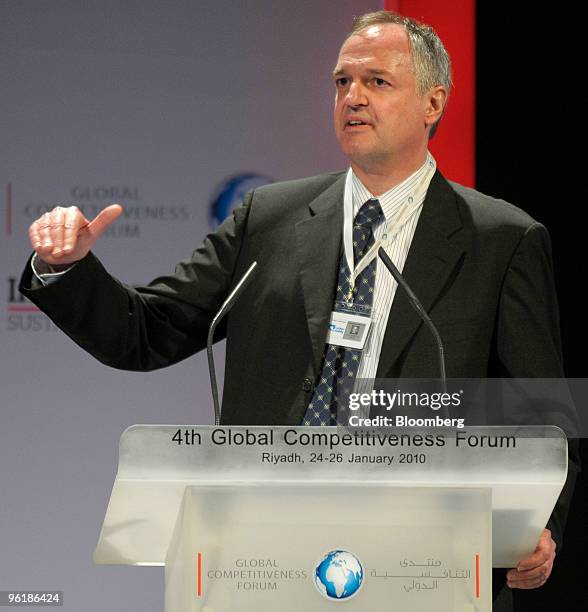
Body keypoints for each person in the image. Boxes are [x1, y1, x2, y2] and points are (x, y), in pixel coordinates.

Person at [19, 10, 577, 607]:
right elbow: (147, 331)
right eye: (342, 82)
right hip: (262, 548)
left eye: (377, 82)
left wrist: (539, 526)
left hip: (421, 555)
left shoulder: (501, 238)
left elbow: (543, 414)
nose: (353, 98)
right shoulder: (269, 218)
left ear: (433, 104)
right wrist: (67, 268)